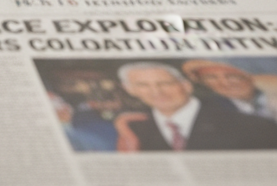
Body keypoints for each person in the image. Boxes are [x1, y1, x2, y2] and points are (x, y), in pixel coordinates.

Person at [114, 62, 277, 151]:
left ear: (186, 86)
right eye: (143, 85)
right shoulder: (130, 128)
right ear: (130, 89)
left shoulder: (254, 125)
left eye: (166, 83)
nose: (157, 92)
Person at [182, 60, 277, 121]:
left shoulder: (271, 98)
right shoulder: (205, 112)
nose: (225, 83)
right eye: (211, 77)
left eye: (232, 76)